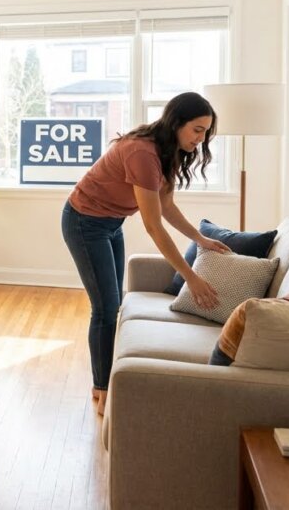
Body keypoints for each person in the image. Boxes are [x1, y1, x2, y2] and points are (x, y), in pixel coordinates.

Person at [61, 91, 230, 415]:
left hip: (111, 223)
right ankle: (103, 389)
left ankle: (104, 383)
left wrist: (200, 238)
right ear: (177, 123)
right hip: (84, 222)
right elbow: (154, 226)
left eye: (206, 131)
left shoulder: (168, 151)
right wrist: (190, 277)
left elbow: (166, 206)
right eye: (197, 129)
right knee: (105, 308)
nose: (201, 138)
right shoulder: (142, 152)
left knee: (114, 304)